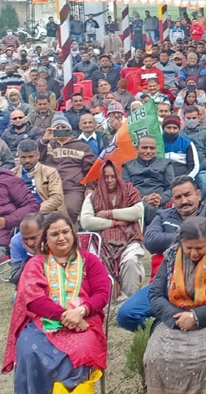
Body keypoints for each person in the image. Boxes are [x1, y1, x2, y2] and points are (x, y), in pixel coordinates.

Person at [2, 213, 111, 394]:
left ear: (73, 233)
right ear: (45, 238)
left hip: (85, 322)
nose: (61, 238)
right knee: (29, 351)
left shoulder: (90, 260)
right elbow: (34, 298)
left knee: (80, 351)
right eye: (54, 234)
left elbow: (102, 293)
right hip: (42, 323)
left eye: (65, 232)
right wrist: (65, 315)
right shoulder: (36, 264)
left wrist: (82, 311)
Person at [117, 176, 206, 332]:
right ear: (172, 200)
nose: (184, 201)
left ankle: (192, 322)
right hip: (166, 281)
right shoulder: (163, 216)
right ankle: (162, 328)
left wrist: (173, 239)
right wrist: (187, 238)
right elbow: (150, 241)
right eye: (178, 197)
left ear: (198, 194)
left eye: (187, 194)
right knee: (126, 315)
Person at [144, 216, 206, 394]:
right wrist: (178, 319)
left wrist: (196, 317)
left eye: (199, 248)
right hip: (175, 319)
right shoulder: (172, 256)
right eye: (189, 248)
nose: (194, 253)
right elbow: (155, 295)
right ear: (181, 242)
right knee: (155, 357)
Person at [79, 160, 145, 299]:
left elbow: (137, 212)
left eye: (113, 176)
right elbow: (86, 221)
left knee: (131, 262)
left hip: (130, 239)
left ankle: (128, 302)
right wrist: (115, 223)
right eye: (105, 177)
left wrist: (108, 213)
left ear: (118, 176)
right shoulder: (93, 196)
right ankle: (106, 302)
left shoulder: (130, 191)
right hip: (101, 244)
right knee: (97, 265)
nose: (109, 180)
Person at [38, 114, 96, 221]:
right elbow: (35, 158)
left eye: (63, 127)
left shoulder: (82, 147)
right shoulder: (47, 144)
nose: (60, 129)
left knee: (69, 210)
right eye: (57, 128)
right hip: (48, 187)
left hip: (72, 188)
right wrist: (44, 141)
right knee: (40, 212)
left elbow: (91, 170)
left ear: (69, 128)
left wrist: (90, 187)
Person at [122, 136, 175, 225]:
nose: (148, 151)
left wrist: (160, 199)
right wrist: (143, 198)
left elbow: (171, 187)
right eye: (144, 148)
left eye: (152, 148)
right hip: (136, 204)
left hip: (160, 204)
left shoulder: (166, 163)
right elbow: (125, 189)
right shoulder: (128, 166)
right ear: (137, 149)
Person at [13, 139, 67, 215]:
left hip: (45, 212)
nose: (27, 160)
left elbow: (56, 198)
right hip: (19, 213)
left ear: (38, 155)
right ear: (18, 157)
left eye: (31, 156)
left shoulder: (50, 172)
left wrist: (33, 211)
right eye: (23, 157)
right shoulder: (12, 174)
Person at [181, 106, 206, 202]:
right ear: (184, 118)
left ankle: (195, 205)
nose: (191, 120)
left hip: (200, 169)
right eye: (188, 118)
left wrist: (197, 168)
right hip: (183, 169)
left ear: (199, 118)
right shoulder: (180, 134)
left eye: (194, 118)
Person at [8, 213, 42, 286]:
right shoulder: (17, 241)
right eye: (25, 239)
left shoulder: (55, 241)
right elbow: (16, 279)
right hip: (31, 286)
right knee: (16, 297)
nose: (29, 243)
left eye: (33, 238)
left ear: (44, 232)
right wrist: (31, 255)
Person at [161, 115, 200, 180]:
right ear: (163, 128)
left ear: (179, 128)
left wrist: (185, 179)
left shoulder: (187, 143)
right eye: (168, 127)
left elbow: (194, 166)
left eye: (175, 128)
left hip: (182, 178)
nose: (171, 131)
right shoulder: (157, 142)